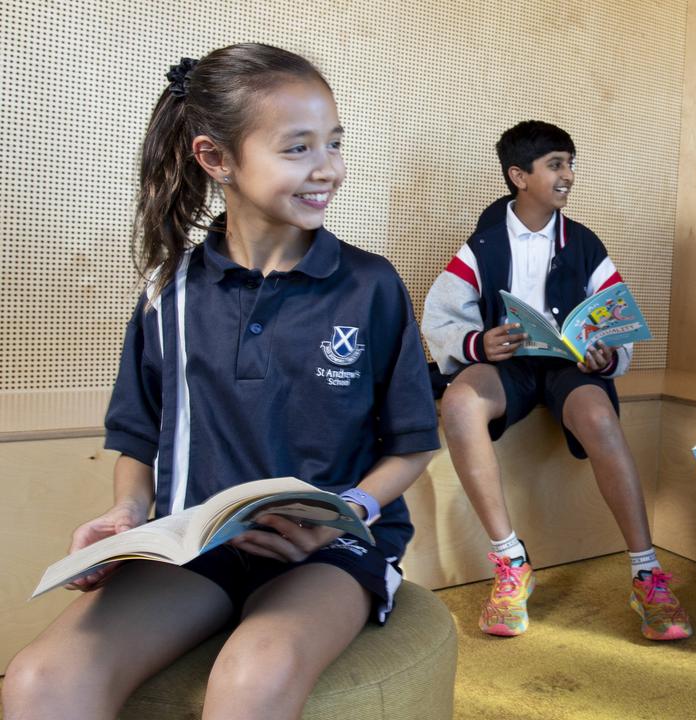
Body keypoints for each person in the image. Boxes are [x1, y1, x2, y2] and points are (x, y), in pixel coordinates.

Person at [2, 44, 439, 720]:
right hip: (192, 549)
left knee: (253, 672)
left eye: (335, 143)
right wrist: (125, 516)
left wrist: (344, 512)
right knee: (37, 681)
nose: (329, 168)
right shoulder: (167, 289)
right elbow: (135, 432)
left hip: (329, 552)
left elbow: (411, 443)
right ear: (216, 159)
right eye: (298, 148)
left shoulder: (371, 285)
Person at [422, 121, 692, 641]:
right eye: (555, 165)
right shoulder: (482, 244)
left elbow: (617, 323)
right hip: (509, 368)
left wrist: (605, 355)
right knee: (459, 403)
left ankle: (646, 573)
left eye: (570, 163)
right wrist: (481, 344)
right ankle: (510, 561)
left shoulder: (586, 244)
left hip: (569, 369)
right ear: (518, 176)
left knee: (599, 417)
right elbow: (440, 315)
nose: (568, 174)